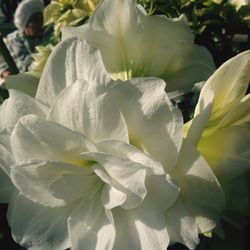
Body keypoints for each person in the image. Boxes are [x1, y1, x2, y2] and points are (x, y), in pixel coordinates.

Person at [0, 0, 44, 80]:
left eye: (41, 18)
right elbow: (2, 62)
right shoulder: (12, 40)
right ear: (25, 24)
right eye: (34, 20)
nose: (39, 23)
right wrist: (4, 72)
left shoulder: (46, 34)